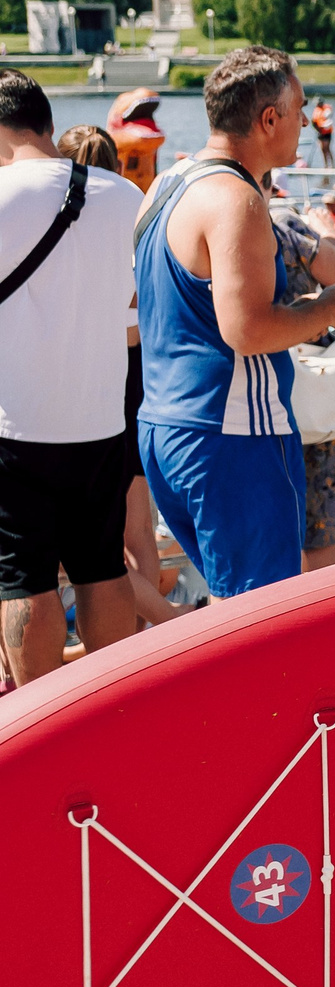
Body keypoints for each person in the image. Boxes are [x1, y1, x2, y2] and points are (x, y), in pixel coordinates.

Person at [136, 48, 335, 600]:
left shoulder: (168, 183)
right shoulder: (236, 199)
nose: (307, 123)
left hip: (166, 425)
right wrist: (329, 310)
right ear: (270, 119)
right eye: (301, 109)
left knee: (230, 605)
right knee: (260, 617)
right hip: (233, 434)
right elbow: (247, 330)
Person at [0, 73, 149, 683]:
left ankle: (39, 720)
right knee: (100, 569)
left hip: (16, 422)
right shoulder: (122, 197)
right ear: (47, 123)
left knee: (22, 577)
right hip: (101, 418)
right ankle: (105, 707)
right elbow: (135, 314)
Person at [56, 125, 180, 628]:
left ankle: (169, 626)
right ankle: (154, 631)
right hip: (137, 383)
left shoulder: (57, 219)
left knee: (89, 546)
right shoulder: (130, 212)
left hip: (87, 385)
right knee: (137, 534)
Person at [269, 199, 335, 573]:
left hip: (250, 397)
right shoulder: (287, 224)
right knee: (319, 530)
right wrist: (325, 228)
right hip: (311, 389)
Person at [309, 96, 335, 169]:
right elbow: (313, 122)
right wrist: (317, 129)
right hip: (320, 131)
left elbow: (329, 114)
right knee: (322, 149)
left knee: (327, 148)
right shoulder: (316, 110)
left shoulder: (326, 108)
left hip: (327, 132)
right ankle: (325, 165)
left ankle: (332, 165)